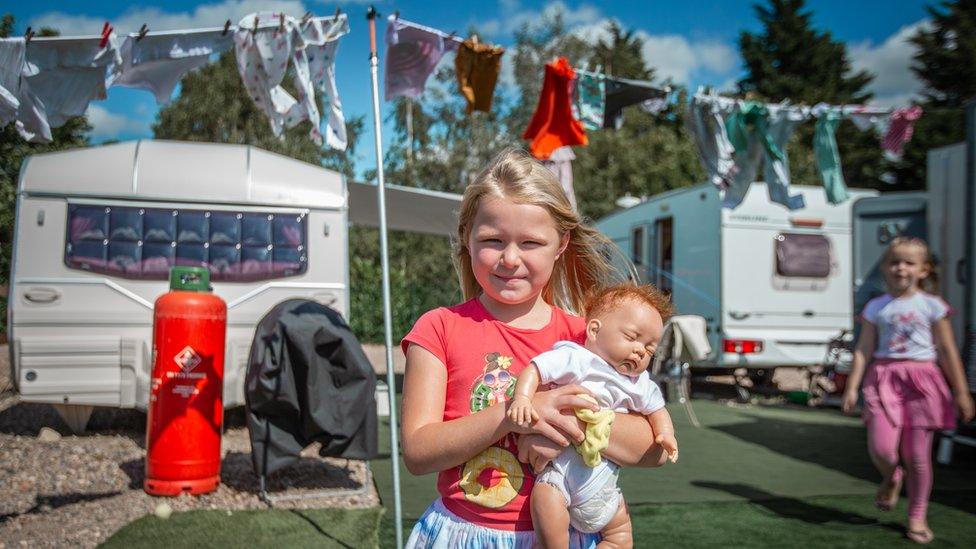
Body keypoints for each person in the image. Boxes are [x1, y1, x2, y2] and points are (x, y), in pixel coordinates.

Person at [400, 147, 670, 548]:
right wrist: (515, 414)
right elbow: (418, 451)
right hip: (464, 534)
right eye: (493, 240)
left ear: (561, 244)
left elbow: (656, 450)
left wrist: (577, 423)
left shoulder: (586, 337)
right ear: (467, 238)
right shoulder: (439, 328)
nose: (510, 258)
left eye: (530, 242)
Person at [508, 284, 679, 548]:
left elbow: (657, 409)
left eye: (649, 349)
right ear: (594, 330)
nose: (640, 351)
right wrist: (522, 398)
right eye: (632, 337)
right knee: (544, 503)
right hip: (560, 477)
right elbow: (536, 369)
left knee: (620, 536)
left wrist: (666, 434)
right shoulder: (575, 359)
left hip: (603, 484)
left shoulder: (637, 382)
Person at [842, 237, 975, 544]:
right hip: (883, 377)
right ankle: (892, 477)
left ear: (924, 270)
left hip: (922, 381)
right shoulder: (876, 307)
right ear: (885, 268)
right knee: (882, 448)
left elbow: (946, 349)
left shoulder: (932, 306)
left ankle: (917, 515)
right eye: (894, 262)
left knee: (916, 455)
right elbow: (863, 349)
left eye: (908, 262)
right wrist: (852, 386)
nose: (900, 268)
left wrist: (962, 391)